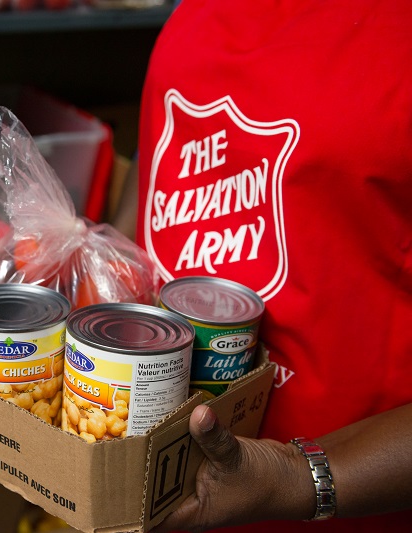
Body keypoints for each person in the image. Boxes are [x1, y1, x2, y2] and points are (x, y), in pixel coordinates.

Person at [113, 0, 412, 531]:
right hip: (164, 490)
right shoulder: (195, 13)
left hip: (349, 507)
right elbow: (167, 143)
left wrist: (298, 479)